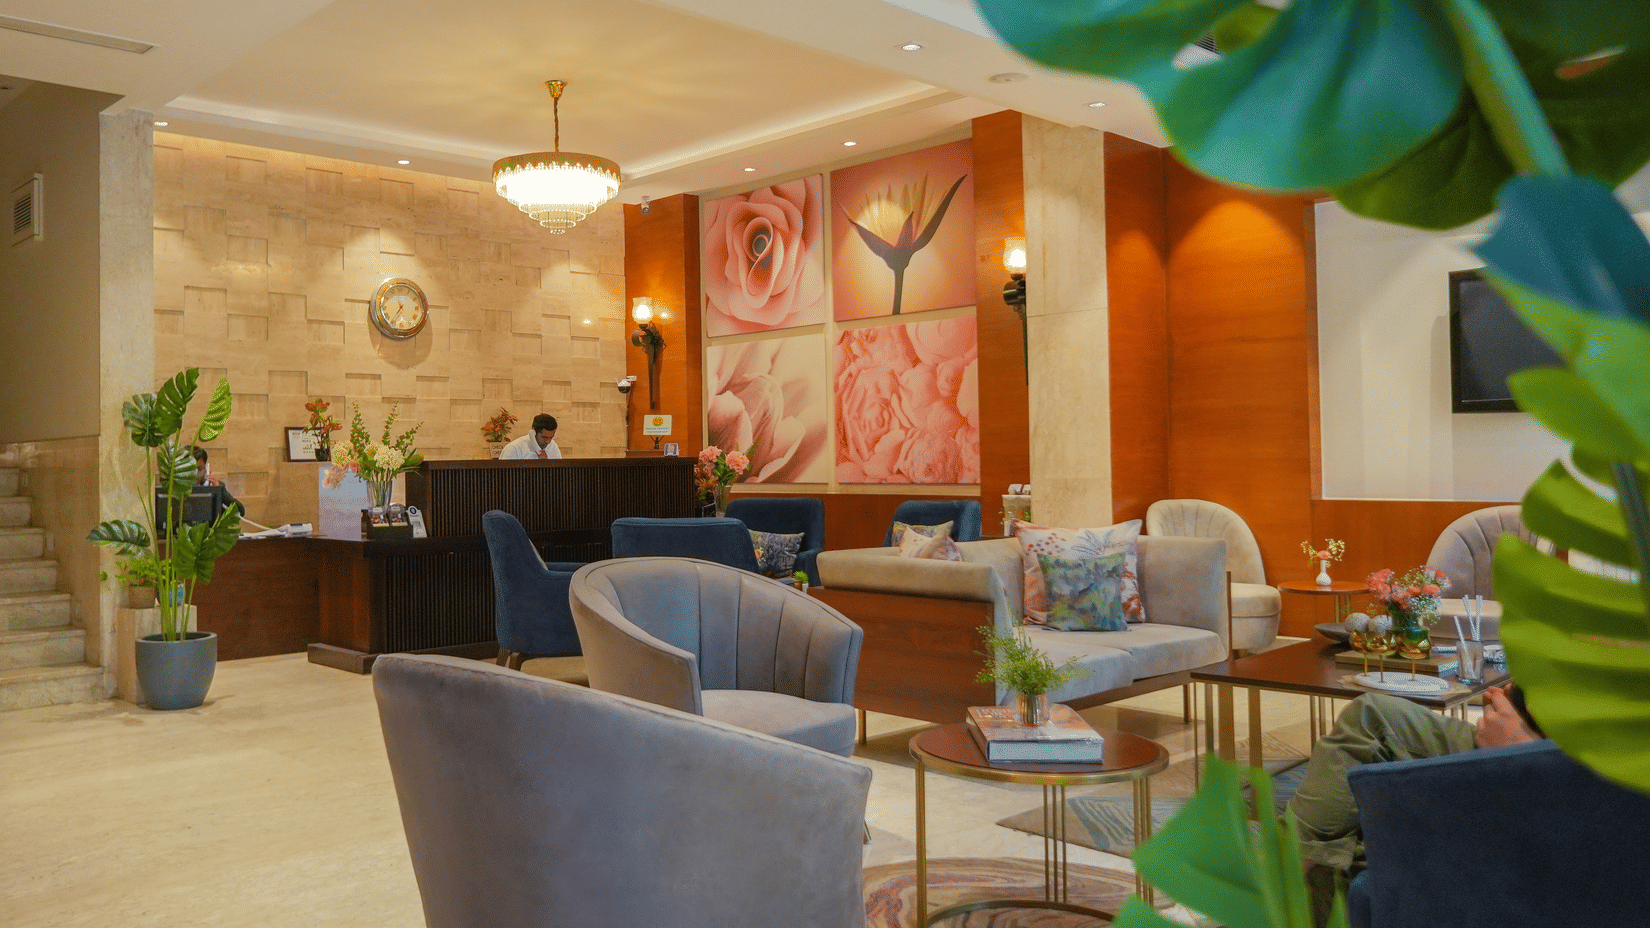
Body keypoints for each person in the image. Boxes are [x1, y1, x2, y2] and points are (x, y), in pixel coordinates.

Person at [1288, 684, 1543, 923]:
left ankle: (1285, 871)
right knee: (1368, 783)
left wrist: (1526, 750)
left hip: (1549, 756)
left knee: (1372, 718)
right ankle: (1296, 867)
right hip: (1542, 729)